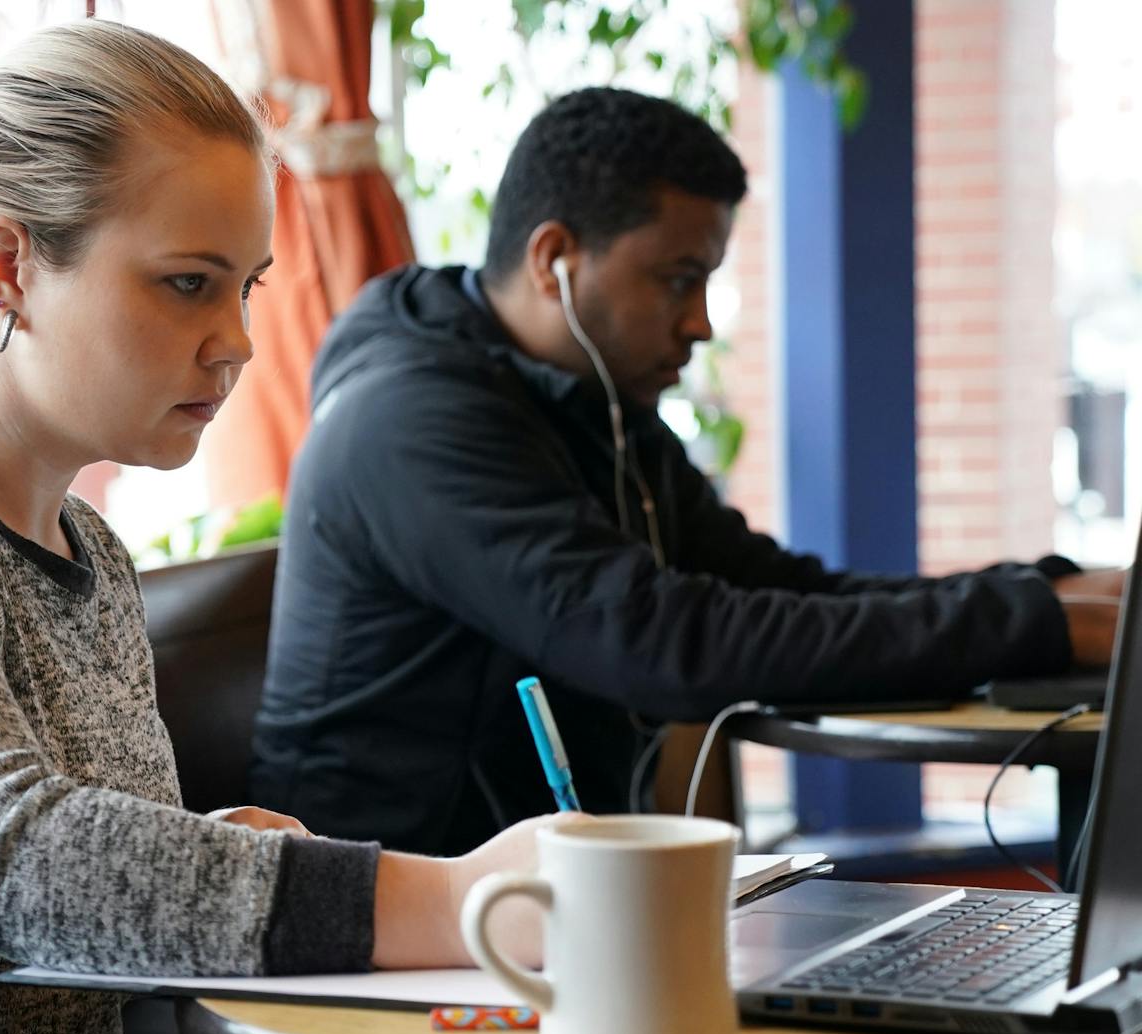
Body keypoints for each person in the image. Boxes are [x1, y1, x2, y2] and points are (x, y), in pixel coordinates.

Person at [0, 20, 551, 1034]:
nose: (237, 342)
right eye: (187, 282)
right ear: (9, 267)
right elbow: (2, 862)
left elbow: (36, 911)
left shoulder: (89, 552)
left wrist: (193, 854)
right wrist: (468, 897)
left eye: (245, 288)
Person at [249, 86, 1126, 858]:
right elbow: (667, 645)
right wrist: (1035, 624)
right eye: (678, 279)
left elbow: (773, 588)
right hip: (394, 926)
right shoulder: (410, 422)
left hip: (545, 898)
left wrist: (1044, 593)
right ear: (556, 259)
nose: (701, 323)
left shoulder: (591, 406)